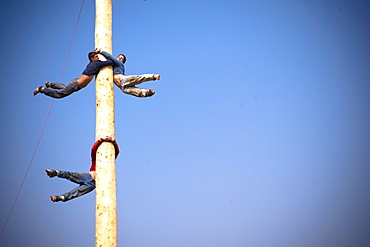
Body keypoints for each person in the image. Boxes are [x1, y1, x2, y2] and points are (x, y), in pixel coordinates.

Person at [45, 136, 119, 202]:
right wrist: (100, 140)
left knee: (77, 192)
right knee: (71, 175)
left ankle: (60, 198)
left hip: (93, 184)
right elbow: (93, 150)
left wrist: (113, 141)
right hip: (88, 176)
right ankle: (55, 173)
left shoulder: (110, 163)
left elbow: (117, 152)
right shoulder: (96, 160)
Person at [33, 51, 114, 99]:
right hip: (76, 84)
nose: (98, 58)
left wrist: (96, 52)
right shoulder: (97, 63)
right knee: (60, 94)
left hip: (76, 83)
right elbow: (111, 62)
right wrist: (119, 61)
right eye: (96, 57)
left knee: (64, 87)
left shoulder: (92, 63)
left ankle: (50, 84)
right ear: (92, 58)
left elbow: (95, 57)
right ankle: (42, 89)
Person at [95, 48, 160, 97]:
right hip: (122, 87)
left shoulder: (119, 63)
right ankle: (148, 93)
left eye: (122, 59)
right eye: (119, 57)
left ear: (123, 61)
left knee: (137, 78)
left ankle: (153, 76)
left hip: (123, 80)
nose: (120, 59)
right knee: (135, 92)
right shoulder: (112, 66)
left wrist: (100, 51)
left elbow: (110, 56)